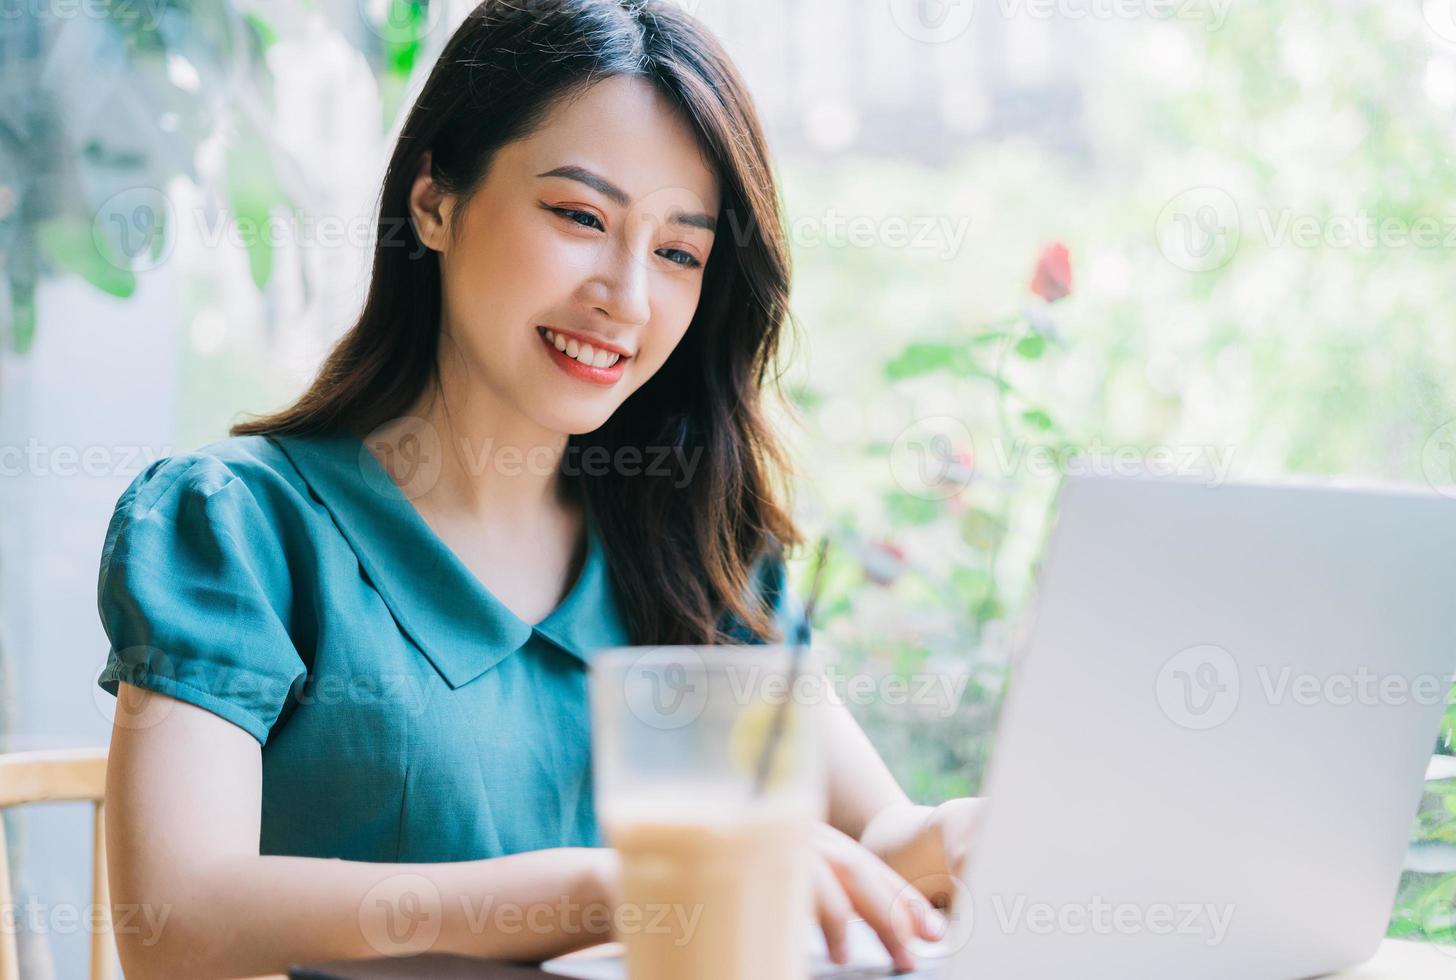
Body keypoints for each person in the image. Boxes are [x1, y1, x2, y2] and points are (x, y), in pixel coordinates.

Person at [96, 2, 981, 976]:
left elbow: (871, 843)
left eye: (679, 252)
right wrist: (621, 884)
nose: (627, 297)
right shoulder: (241, 526)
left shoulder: (692, 548)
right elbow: (172, 919)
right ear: (433, 201)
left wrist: (964, 834)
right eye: (579, 216)